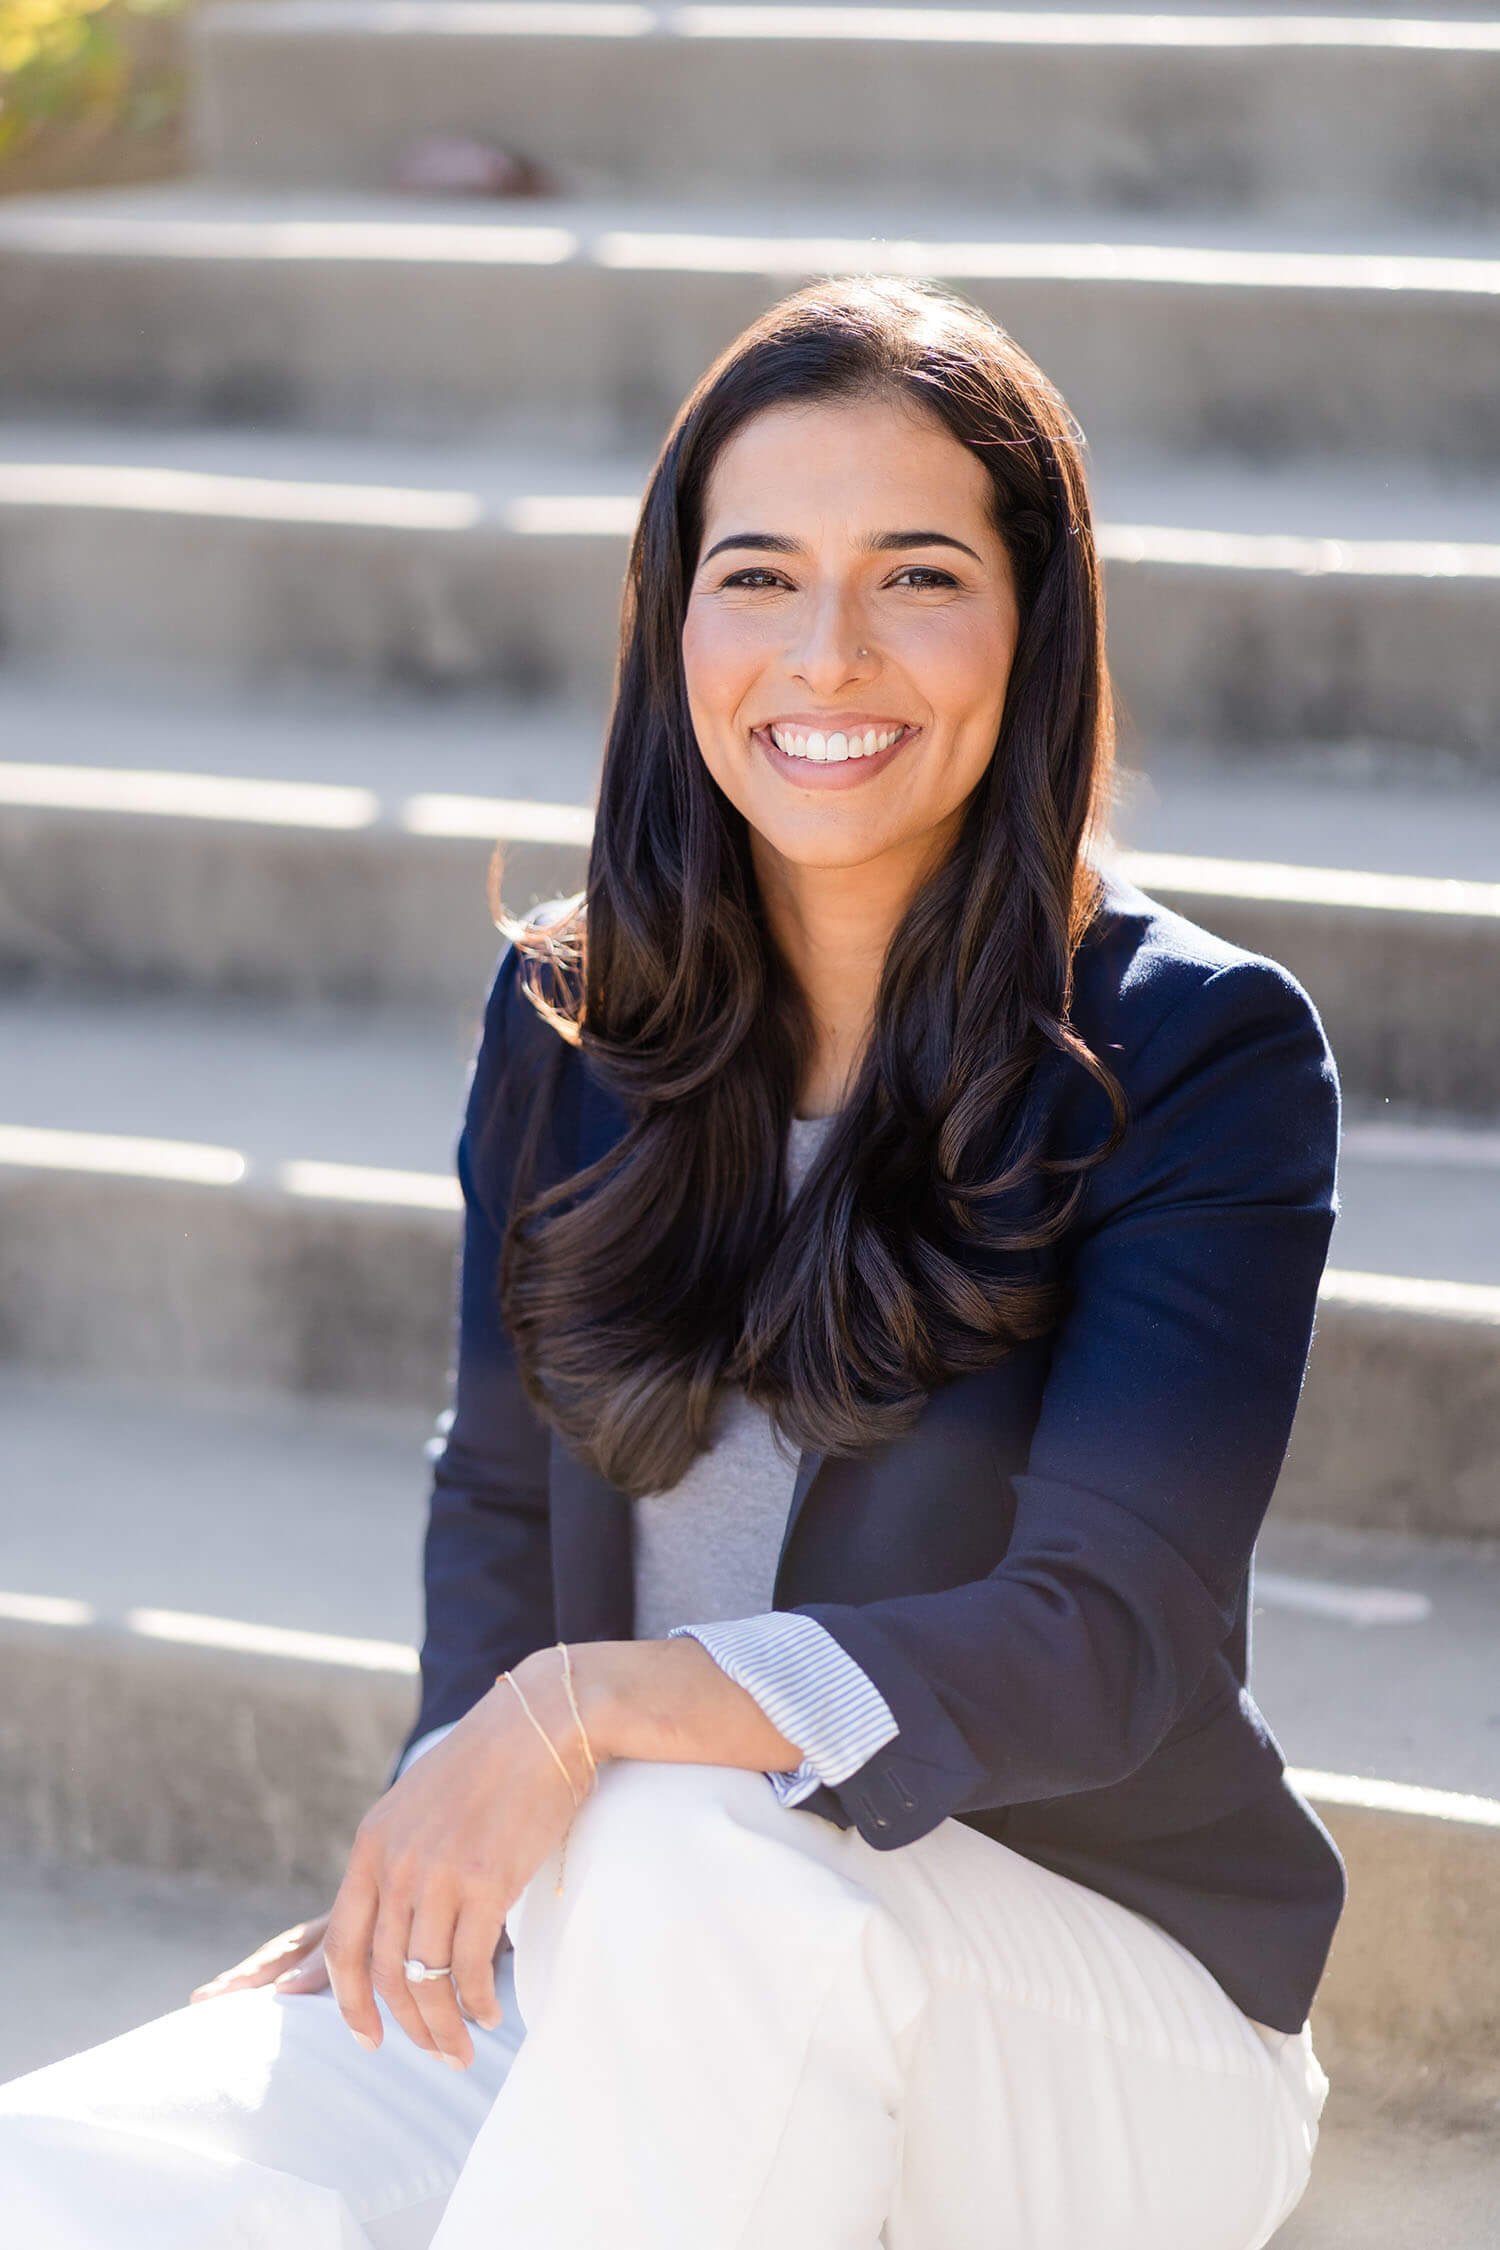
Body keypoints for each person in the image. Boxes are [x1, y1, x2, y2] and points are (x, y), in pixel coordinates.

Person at [0, 274, 1339, 2249]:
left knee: (690, 1838)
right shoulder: (571, 1017)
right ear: (675, 622)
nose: (828, 652)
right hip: (625, 1934)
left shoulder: (1195, 1051)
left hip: (1081, 2006)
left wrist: (583, 1716)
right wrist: (455, 1826)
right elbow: (496, 1486)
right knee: (84, 2172)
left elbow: (1104, 1639)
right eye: (758, 576)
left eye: (917, 577)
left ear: (1035, 624)